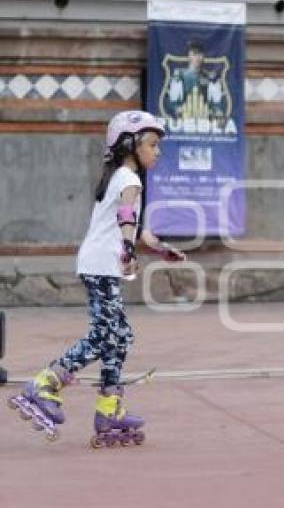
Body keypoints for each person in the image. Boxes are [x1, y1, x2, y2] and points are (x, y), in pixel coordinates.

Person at [7, 110, 186, 446]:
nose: (158, 151)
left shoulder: (124, 178)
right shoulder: (128, 179)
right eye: (152, 144)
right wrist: (129, 251)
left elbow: (141, 231)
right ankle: (45, 382)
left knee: (119, 336)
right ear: (130, 145)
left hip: (100, 264)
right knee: (105, 335)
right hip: (102, 264)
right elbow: (126, 217)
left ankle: (109, 408)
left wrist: (162, 250)